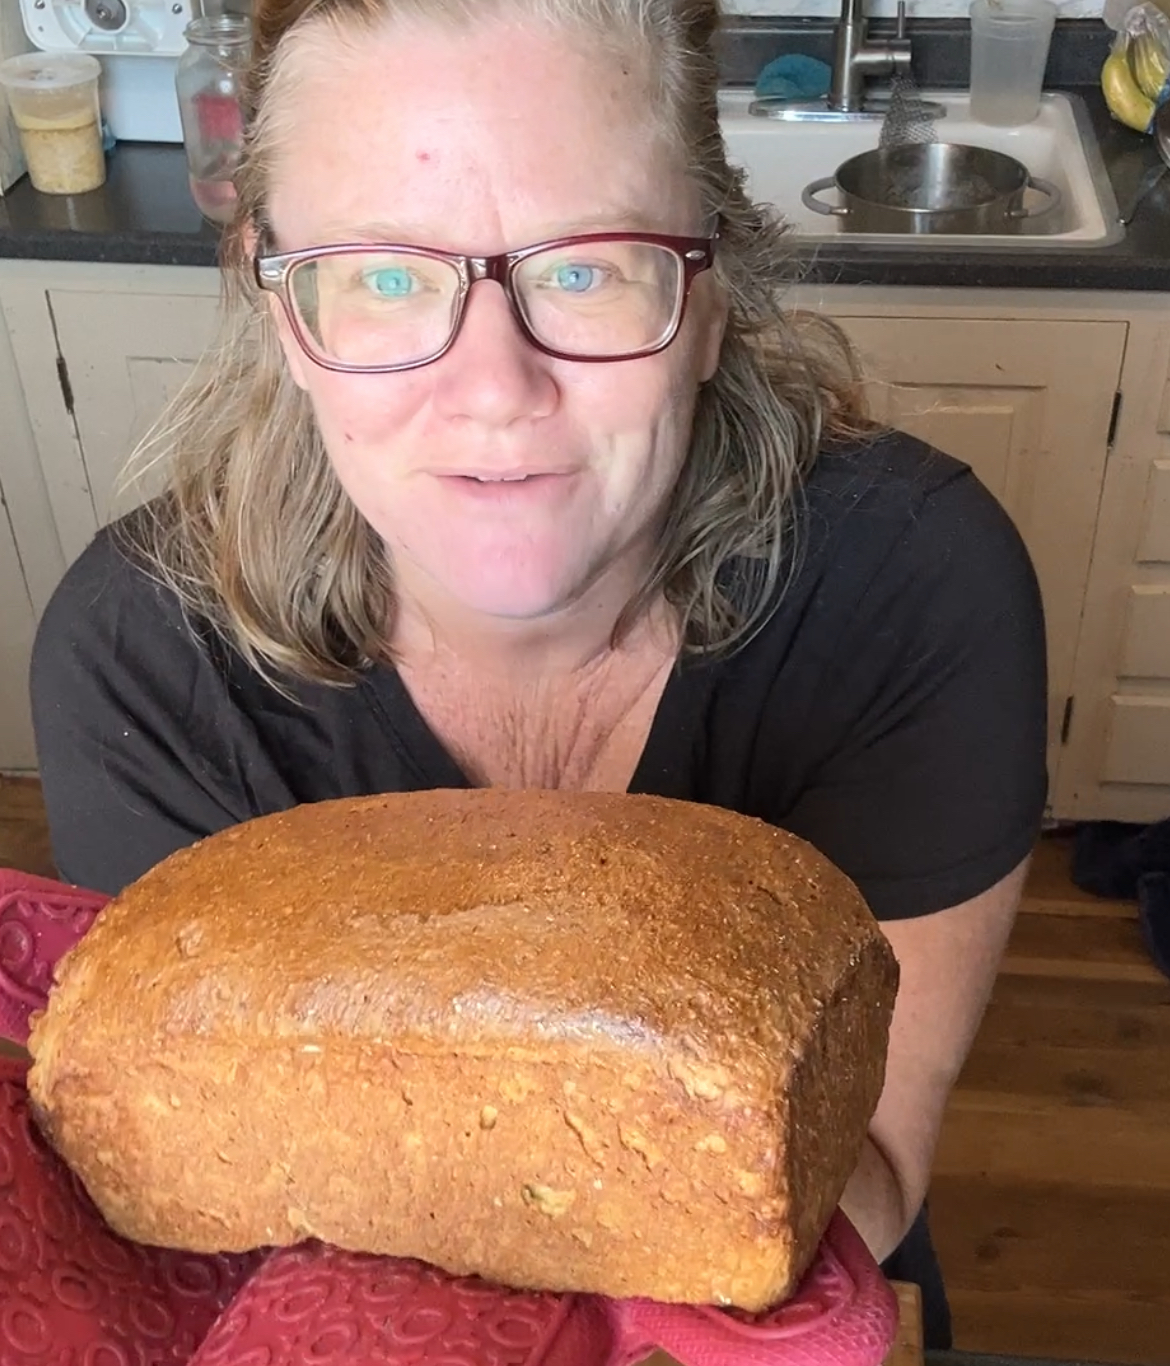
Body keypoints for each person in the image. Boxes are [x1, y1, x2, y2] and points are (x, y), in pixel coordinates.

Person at [29, 0, 1047, 1346]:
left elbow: (848, 1182)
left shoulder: (911, 585)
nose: (494, 387)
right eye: (384, 274)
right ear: (279, 301)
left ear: (707, 294)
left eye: (586, 266)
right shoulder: (142, 654)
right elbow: (203, 1166)